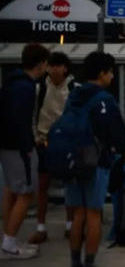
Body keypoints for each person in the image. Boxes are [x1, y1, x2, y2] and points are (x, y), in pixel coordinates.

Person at [65, 51, 125, 267]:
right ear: (102, 73)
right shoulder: (105, 99)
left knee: (78, 215)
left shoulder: (73, 95)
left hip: (73, 159)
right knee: (94, 214)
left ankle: (75, 261)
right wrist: (122, 152)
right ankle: (90, 262)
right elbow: (119, 135)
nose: (111, 77)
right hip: (97, 160)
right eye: (110, 72)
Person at [0, 43, 49, 260]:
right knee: (26, 193)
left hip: (7, 145)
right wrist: (28, 146)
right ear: (41, 63)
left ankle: (8, 239)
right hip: (20, 148)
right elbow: (20, 119)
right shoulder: (26, 87)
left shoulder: (12, 82)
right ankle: (9, 244)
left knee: (12, 190)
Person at [29, 52, 77, 245]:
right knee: (42, 186)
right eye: (51, 65)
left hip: (66, 143)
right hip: (44, 141)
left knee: (70, 187)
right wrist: (35, 137)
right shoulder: (39, 88)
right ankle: (41, 228)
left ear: (65, 68)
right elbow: (32, 114)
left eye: (58, 65)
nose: (54, 69)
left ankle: (70, 226)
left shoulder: (73, 89)